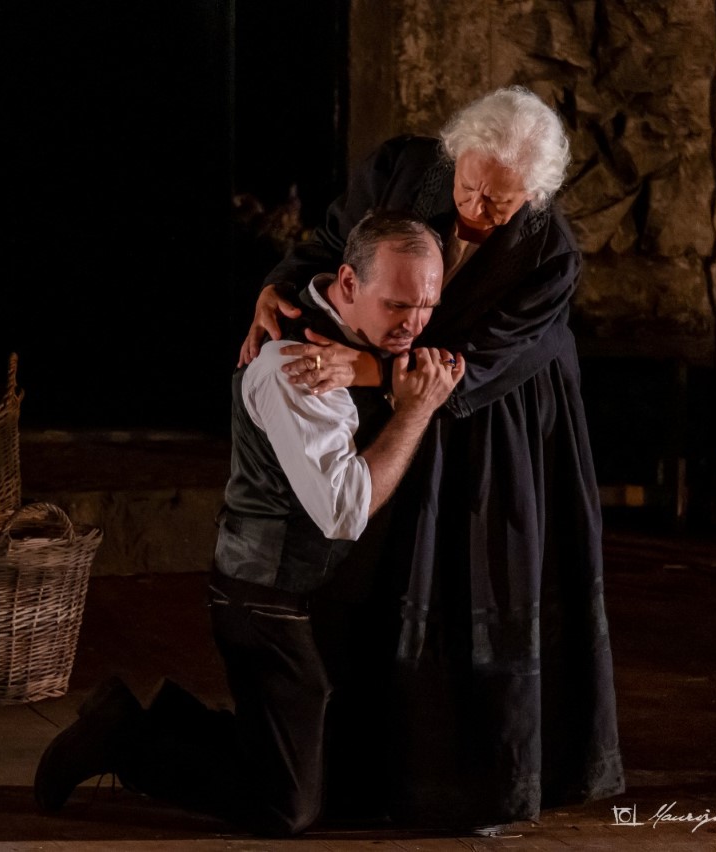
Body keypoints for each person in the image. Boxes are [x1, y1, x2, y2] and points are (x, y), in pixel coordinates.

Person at [241, 86, 625, 830]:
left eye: (500, 202)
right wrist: (274, 289)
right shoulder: (401, 169)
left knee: (475, 571)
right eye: (471, 186)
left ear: (535, 197)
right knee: (377, 566)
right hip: (404, 393)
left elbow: (475, 365)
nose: (478, 208)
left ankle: (478, 783)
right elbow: (327, 247)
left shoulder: (548, 253)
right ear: (456, 154)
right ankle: (363, 768)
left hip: (502, 415)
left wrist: (361, 371)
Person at [33, 211, 464, 837]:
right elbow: (344, 510)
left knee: (338, 781)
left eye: (428, 306)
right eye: (399, 304)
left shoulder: (368, 340)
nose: (415, 324)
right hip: (265, 602)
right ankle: (125, 739)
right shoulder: (297, 367)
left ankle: (148, 718)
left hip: (311, 599)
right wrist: (417, 410)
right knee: (284, 807)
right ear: (346, 283)